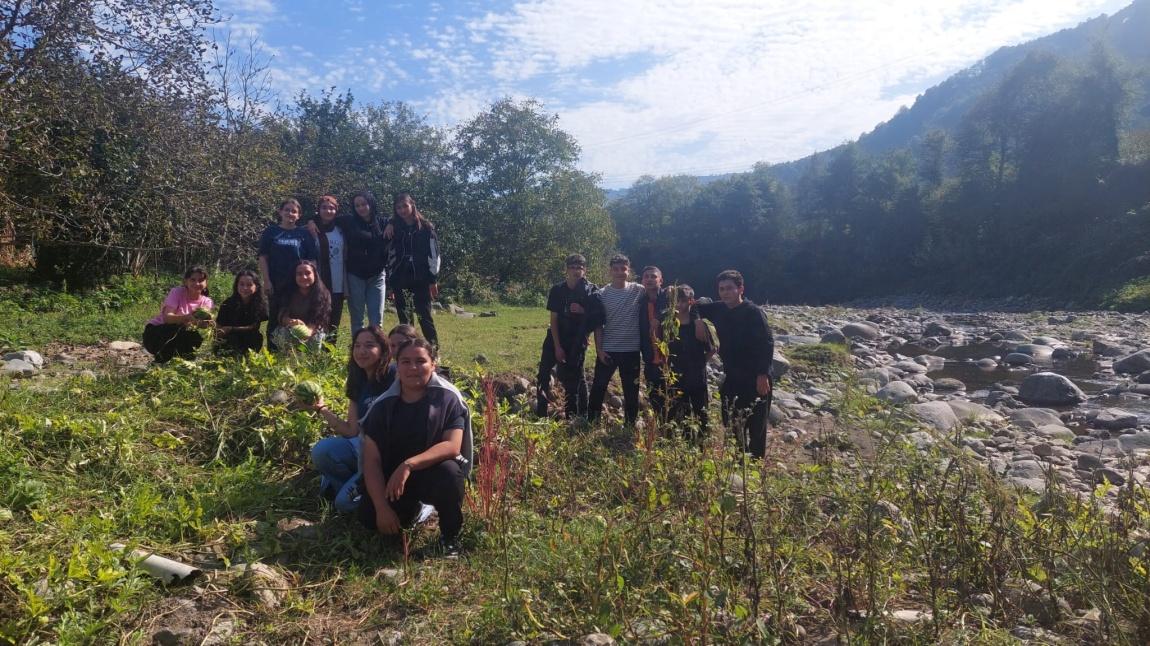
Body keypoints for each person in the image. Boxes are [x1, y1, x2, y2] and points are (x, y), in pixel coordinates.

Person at [359, 338, 472, 557]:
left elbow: (452, 446)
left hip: (431, 472)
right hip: (394, 481)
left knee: (450, 474)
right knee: (368, 516)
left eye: (420, 361)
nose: (413, 368)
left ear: (433, 365)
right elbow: (371, 461)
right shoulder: (382, 407)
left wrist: (408, 465)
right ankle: (413, 512)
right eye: (406, 361)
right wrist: (382, 508)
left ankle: (450, 538)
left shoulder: (448, 399)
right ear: (396, 366)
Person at [307, 326, 396, 512]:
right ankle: (353, 488)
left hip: (388, 454)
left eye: (369, 345)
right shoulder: (357, 380)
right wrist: (321, 408)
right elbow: (351, 430)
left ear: (382, 349)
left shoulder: (393, 375)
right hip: (363, 446)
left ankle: (418, 506)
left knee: (343, 504)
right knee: (321, 451)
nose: (361, 351)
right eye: (357, 346)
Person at [695, 270, 775, 458]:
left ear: (741, 289)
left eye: (730, 288)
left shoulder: (753, 312)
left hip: (756, 376)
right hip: (733, 375)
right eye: (722, 289)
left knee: (757, 426)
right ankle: (739, 461)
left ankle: (755, 465)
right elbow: (694, 307)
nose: (725, 293)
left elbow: (767, 344)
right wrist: (698, 322)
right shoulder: (718, 309)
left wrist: (763, 375)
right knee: (730, 421)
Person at [535, 254, 598, 418]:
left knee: (575, 380)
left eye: (580, 267)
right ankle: (541, 414)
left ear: (585, 270)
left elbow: (598, 319)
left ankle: (575, 416)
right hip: (555, 337)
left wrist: (584, 311)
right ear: (566, 269)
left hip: (577, 340)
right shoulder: (557, 290)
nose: (577, 271)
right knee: (543, 374)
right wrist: (557, 346)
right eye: (573, 267)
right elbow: (553, 320)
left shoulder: (592, 290)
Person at [588, 254, 646, 426]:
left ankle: (630, 425)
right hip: (608, 349)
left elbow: (657, 292)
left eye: (623, 269)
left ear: (628, 270)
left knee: (631, 390)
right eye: (616, 269)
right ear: (610, 271)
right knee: (599, 386)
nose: (620, 272)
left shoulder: (638, 290)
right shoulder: (602, 294)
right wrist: (599, 350)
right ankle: (592, 421)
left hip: (632, 350)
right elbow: (598, 325)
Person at [258, 198, 319, 348]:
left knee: (296, 318)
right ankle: (273, 353)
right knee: (275, 318)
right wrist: (266, 280)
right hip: (276, 283)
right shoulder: (271, 232)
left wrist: (312, 283)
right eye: (287, 210)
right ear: (280, 212)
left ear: (299, 215)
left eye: (294, 211)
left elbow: (312, 260)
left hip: (298, 284)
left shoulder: (304, 234)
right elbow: (263, 257)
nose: (290, 213)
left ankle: (296, 351)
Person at [387, 193, 440, 348]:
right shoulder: (394, 228)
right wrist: (390, 283)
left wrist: (433, 280)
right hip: (400, 278)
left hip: (421, 278)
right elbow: (389, 256)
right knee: (405, 320)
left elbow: (434, 256)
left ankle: (434, 351)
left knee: (425, 317)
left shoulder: (426, 228)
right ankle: (407, 351)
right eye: (398, 208)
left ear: (412, 205)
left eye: (405, 206)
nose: (402, 210)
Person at [665, 285, 717, 437]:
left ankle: (701, 445)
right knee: (679, 410)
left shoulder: (701, 324)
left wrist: (701, 361)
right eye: (675, 301)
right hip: (676, 373)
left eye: (682, 301)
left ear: (690, 301)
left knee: (701, 411)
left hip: (697, 375)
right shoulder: (669, 322)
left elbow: (714, 347)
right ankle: (681, 444)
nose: (679, 305)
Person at [142, 267, 214, 363]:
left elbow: (204, 325)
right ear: (186, 281)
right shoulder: (177, 292)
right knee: (177, 328)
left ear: (206, 283)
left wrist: (203, 323)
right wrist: (186, 318)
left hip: (184, 335)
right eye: (193, 280)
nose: (197, 283)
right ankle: (161, 361)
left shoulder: (207, 302)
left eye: (201, 280)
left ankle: (184, 362)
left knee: (194, 335)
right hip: (156, 334)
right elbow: (167, 318)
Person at [343, 191, 389, 335]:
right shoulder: (348, 221)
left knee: (376, 320)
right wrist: (312, 222)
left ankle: (377, 353)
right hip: (355, 275)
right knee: (357, 320)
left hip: (377, 276)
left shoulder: (383, 222)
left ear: (371, 203)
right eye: (357, 205)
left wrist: (392, 224)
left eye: (364, 204)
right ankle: (357, 353)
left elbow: (401, 219)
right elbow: (325, 218)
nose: (361, 208)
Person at [272, 259, 332, 350]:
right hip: (291, 328)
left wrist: (308, 332)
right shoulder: (287, 293)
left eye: (308, 273)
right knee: (284, 336)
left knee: (315, 341)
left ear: (314, 275)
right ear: (294, 276)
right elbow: (282, 316)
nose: (304, 277)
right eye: (299, 274)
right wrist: (292, 322)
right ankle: (287, 361)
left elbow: (320, 318)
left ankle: (312, 362)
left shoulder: (324, 294)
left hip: (314, 328)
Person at [310, 194, 346, 341]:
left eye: (331, 208)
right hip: (316, 283)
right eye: (324, 207)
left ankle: (330, 354)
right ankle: (313, 353)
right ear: (318, 209)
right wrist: (311, 221)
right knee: (316, 320)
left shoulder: (341, 230)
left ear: (336, 211)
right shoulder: (310, 230)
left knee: (334, 323)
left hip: (337, 284)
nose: (328, 211)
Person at [637, 265, 671, 418]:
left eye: (653, 276)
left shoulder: (670, 297)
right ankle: (660, 431)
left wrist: (658, 317)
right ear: (642, 280)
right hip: (650, 359)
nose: (650, 279)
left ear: (661, 280)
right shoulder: (639, 302)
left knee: (674, 399)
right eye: (646, 277)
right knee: (656, 400)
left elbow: (691, 301)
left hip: (671, 360)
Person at [214, 269, 268, 356]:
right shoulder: (227, 303)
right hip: (230, 339)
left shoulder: (261, 305)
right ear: (236, 285)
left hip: (250, 339)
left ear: (256, 287)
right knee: (232, 338)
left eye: (249, 285)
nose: (245, 288)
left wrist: (231, 328)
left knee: (255, 337)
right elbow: (218, 327)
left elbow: (254, 326)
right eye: (241, 284)